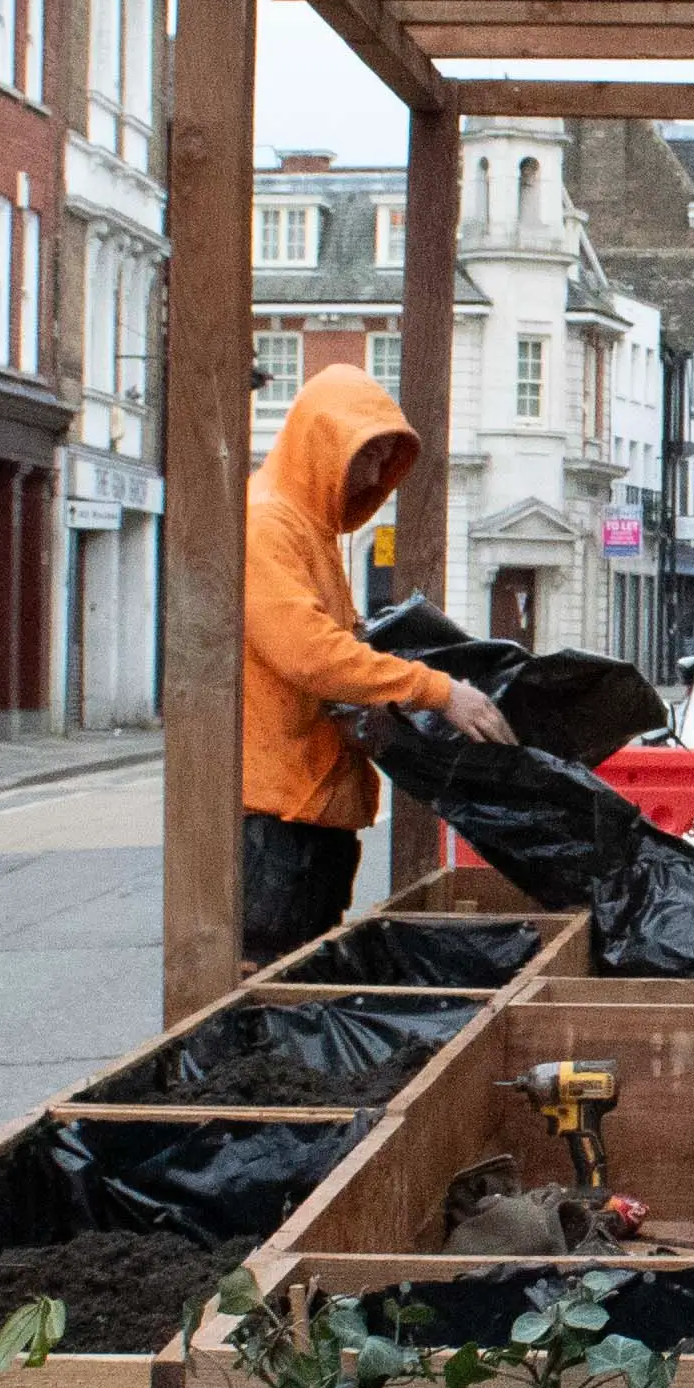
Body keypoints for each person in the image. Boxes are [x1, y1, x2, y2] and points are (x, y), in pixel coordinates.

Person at [242, 362, 511, 959]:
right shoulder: (268, 524)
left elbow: (330, 651)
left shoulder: (307, 530)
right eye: (365, 455)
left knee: (299, 981)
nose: (372, 473)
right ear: (323, 444)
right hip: (279, 814)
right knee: (274, 987)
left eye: (384, 457)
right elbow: (309, 653)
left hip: (307, 807)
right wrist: (438, 690)